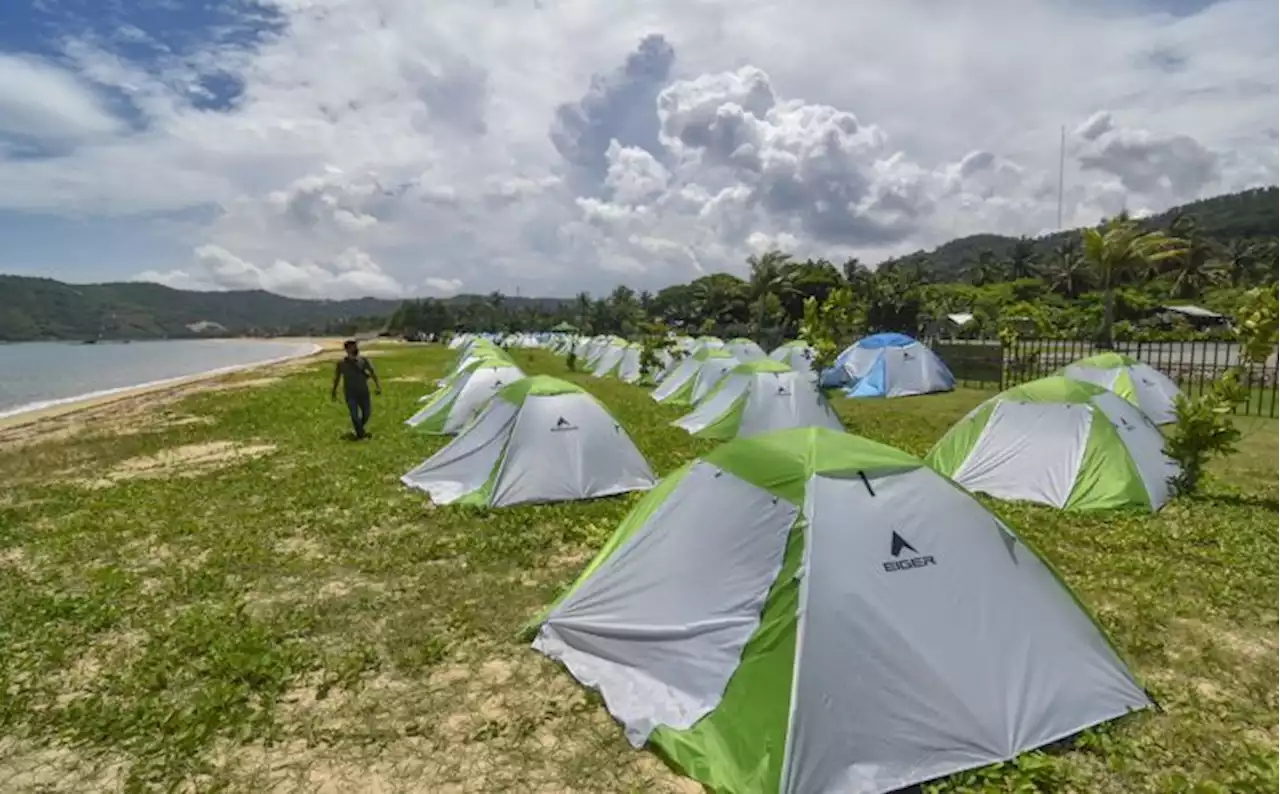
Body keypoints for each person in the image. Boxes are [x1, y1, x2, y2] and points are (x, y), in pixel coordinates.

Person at [331, 340, 381, 439]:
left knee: (367, 414)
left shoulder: (364, 360)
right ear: (347, 349)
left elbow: (372, 373)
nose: (356, 349)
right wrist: (334, 391)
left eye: (356, 346)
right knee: (354, 415)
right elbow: (337, 378)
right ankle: (360, 434)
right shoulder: (341, 364)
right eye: (353, 347)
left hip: (364, 392)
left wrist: (378, 386)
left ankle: (359, 429)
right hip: (350, 393)